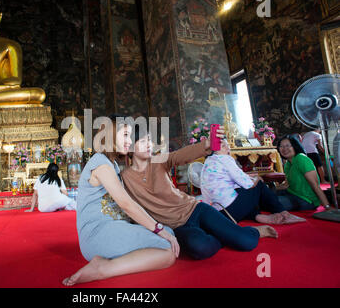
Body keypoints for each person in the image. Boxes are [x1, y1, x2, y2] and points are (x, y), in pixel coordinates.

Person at [121, 126, 278, 261]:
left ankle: (251, 230)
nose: (149, 144)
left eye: (149, 140)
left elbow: (179, 155)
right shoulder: (124, 178)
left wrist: (208, 143)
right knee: (200, 248)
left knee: (246, 242)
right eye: (142, 141)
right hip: (177, 227)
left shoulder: (159, 160)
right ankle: (226, 233)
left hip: (195, 210)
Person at [62, 115, 179, 286]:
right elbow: (126, 204)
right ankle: (103, 268)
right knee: (168, 253)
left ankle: (117, 257)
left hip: (115, 227)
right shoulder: (100, 164)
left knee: (170, 233)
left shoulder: (113, 164)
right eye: (125, 135)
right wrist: (158, 229)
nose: (129, 141)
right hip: (98, 234)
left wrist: (161, 229)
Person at [200, 139, 305, 225]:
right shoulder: (224, 159)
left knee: (242, 192)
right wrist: (257, 179)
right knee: (258, 186)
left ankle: (259, 216)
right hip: (231, 210)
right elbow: (248, 184)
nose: (228, 148)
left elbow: (232, 179)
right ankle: (285, 214)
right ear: (215, 150)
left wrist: (249, 177)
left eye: (228, 145)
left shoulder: (208, 162)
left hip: (219, 215)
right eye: (224, 146)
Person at [276, 135, 331, 211]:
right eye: (281, 146)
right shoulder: (288, 163)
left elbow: (315, 185)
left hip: (306, 199)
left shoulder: (301, 159)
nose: (284, 149)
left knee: (271, 202)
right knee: (265, 197)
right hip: (291, 193)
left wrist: (327, 206)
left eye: (288, 146)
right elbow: (287, 184)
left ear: (295, 146)